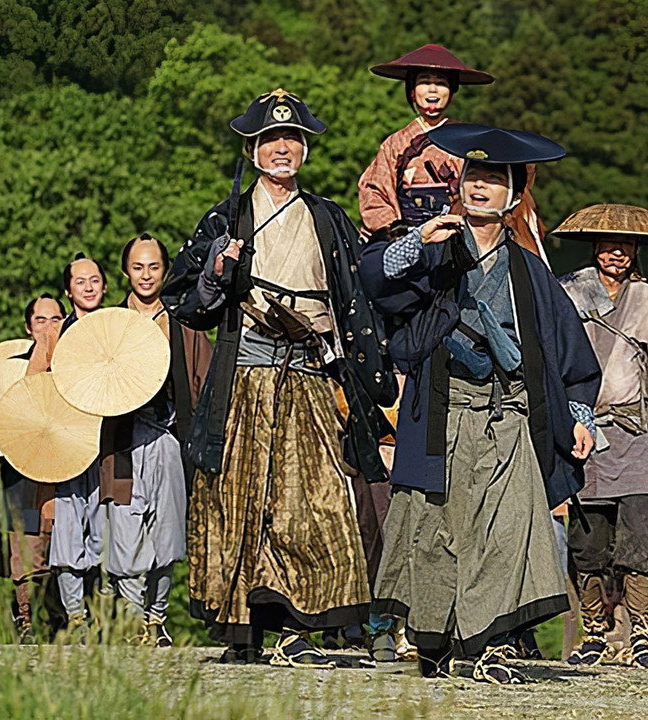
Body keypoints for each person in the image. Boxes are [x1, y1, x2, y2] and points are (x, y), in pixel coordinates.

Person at [162, 89, 396, 668]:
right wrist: (217, 270)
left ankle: (298, 629)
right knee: (237, 501)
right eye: (270, 140)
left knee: (313, 500)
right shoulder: (225, 218)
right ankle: (244, 631)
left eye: (292, 139)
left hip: (309, 374)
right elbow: (184, 299)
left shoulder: (328, 217)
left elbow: (357, 297)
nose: (282, 148)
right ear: (253, 150)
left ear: (306, 150)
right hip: (244, 376)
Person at [360, 123, 600, 684]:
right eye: (473, 175)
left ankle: (490, 645)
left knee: (509, 529)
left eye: (493, 179)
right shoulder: (433, 247)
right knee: (434, 531)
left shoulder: (529, 270)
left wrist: (580, 415)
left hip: (508, 415)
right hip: (440, 413)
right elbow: (373, 283)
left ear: (512, 195)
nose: (479, 186)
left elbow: (570, 351)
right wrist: (417, 243)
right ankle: (437, 640)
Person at [553, 204, 648, 669]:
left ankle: (639, 631)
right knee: (587, 541)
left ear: (635, 249)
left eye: (625, 245)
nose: (616, 252)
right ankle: (596, 630)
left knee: (637, 538)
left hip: (635, 430)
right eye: (608, 244)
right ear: (595, 246)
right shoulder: (569, 291)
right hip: (583, 430)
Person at [98, 234, 212, 647]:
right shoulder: (109, 324)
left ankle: (156, 617)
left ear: (165, 270)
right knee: (125, 531)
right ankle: (130, 619)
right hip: (122, 443)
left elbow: (204, 381)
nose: (146, 275)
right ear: (125, 271)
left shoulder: (183, 321)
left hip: (170, 439)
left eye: (154, 267)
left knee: (167, 532)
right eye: (137, 267)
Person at [359, 45, 548, 258]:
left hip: (460, 233)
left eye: (441, 83)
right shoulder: (394, 144)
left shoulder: (467, 139)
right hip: (410, 238)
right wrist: (402, 235)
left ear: (451, 92)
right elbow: (375, 192)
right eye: (424, 82)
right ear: (412, 90)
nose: (432, 89)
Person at [0, 293, 65, 642]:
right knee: (25, 549)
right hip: (21, 473)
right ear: (28, 326)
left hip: (66, 469)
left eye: (56, 319)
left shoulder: (76, 365)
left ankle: (64, 621)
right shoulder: (10, 369)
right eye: (40, 320)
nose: (48, 327)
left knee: (63, 549)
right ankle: (26, 620)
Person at [46, 253, 109, 637]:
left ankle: (107, 616)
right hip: (68, 444)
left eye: (95, 280)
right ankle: (76, 617)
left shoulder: (116, 328)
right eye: (80, 281)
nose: (88, 287)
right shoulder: (59, 334)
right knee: (69, 531)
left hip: (111, 446)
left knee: (106, 534)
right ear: (68, 291)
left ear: (105, 285)